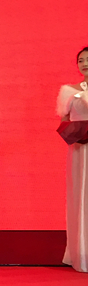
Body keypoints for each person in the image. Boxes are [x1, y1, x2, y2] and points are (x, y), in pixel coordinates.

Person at [56, 46, 88, 273]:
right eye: (81, 60)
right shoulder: (69, 91)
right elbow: (64, 121)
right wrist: (76, 133)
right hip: (80, 150)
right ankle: (81, 252)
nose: (85, 63)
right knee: (80, 196)